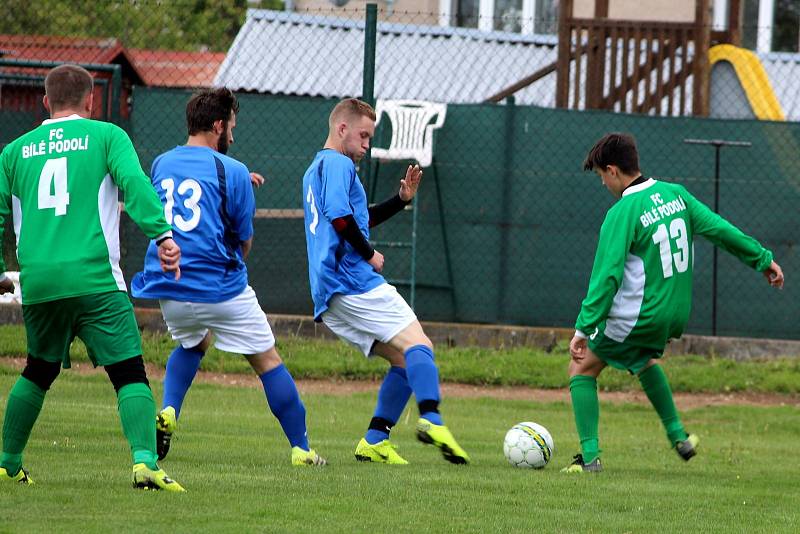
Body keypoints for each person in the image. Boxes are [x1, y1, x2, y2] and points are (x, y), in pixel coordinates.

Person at [0, 64, 184, 491]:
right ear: (91, 100)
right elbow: (135, 184)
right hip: (96, 277)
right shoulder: (106, 136)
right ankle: (144, 464)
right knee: (128, 372)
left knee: (38, 371)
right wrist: (162, 234)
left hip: (40, 283)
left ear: (45, 103)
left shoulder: (13, 152)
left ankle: (8, 463)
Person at [563, 132, 784, 473]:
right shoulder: (675, 195)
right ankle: (679, 437)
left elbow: (606, 277)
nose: (603, 184)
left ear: (612, 170)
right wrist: (761, 259)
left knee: (582, 367)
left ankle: (590, 459)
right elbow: (719, 228)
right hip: (674, 313)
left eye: (601, 176)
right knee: (643, 359)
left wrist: (584, 326)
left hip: (638, 314)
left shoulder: (623, 211)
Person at [131, 88, 326, 467]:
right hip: (217, 287)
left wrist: (237, 185)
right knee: (268, 361)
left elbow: (196, 195)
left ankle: (169, 411)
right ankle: (302, 449)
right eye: (231, 128)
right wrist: (239, 192)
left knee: (193, 344)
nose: (233, 137)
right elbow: (243, 242)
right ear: (218, 125)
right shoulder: (232, 171)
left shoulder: (162, 163)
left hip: (169, 285)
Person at [301, 98, 469, 465]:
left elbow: (355, 219)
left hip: (329, 291)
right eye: (362, 135)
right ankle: (431, 418)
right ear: (341, 129)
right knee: (419, 344)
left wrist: (400, 200)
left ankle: (375, 440)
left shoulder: (317, 168)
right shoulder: (338, 163)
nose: (366, 144)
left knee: (405, 361)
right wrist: (368, 255)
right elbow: (340, 218)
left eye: (370, 137)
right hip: (352, 280)